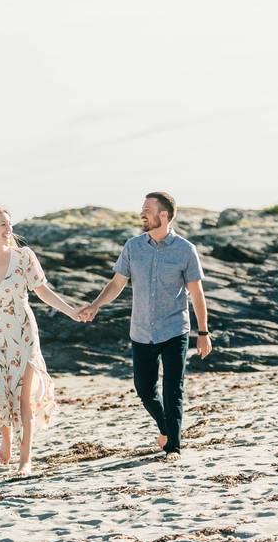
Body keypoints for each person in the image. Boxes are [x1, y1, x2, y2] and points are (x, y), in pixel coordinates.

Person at [78, 192, 212, 462]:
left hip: (175, 329)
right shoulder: (133, 247)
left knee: (173, 389)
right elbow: (117, 284)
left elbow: (197, 294)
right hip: (141, 331)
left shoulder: (185, 250)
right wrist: (95, 305)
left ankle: (173, 447)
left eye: (147, 209)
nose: (142, 213)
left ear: (163, 215)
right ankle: (165, 429)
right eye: (142, 208)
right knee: (144, 389)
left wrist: (203, 333)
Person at [0, 206, 82, 477]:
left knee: (24, 397)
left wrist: (71, 310)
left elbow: (42, 291)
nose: (8, 229)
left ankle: (25, 458)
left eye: (9, 224)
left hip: (23, 333)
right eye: (2, 224)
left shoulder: (24, 257)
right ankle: (6, 436)